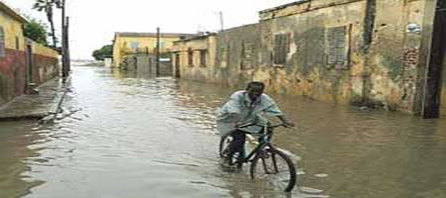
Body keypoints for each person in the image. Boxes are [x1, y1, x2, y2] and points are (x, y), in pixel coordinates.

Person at [216, 81, 295, 165]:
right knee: (239, 139)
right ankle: (228, 156)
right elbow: (234, 109)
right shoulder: (238, 96)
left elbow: (274, 109)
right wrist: (237, 121)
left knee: (268, 128)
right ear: (247, 90)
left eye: (259, 92)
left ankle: (262, 148)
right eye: (253, 91)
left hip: (250, 118)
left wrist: (285, 121)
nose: (256, 94)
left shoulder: (264, 98)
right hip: (230, 119)